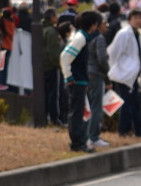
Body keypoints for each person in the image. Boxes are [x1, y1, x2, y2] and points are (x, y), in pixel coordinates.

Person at [60, 10, 102, 153]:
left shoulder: (81, 36)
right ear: (93, 24)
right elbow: (65, 56)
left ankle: (81, 141)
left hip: (80, 80)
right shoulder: (80, 38)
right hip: (76, 81)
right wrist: (69, 76)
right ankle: (77, 143)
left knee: (80, 113)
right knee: (77, 113)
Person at [107, 8, 141, 138]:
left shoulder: (137, 34)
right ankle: (124, 130)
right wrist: (118, 69)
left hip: (132, 74)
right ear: (129, 19)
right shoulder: (124, 33)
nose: (138, 21)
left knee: (134, 103)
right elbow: (113, 53)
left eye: (140, 18)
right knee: (127, 104)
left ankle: (137, 130)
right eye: (135, 18)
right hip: (124, 74)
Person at [86, 15, 111, 147]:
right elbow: (102, 59)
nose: (106, 25)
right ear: (97, 24)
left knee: (88, 106)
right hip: (96, 74)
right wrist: (108, 72)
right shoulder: (99, 38)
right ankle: (94, 137)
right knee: (96, 107)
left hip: (86, 74)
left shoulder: (86, 37)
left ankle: (87, 135)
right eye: (104, 23)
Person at [42, 9, 65, 126]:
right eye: (56, 16)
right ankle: (54, 118)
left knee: (45, 94)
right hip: (51, 66)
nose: (57, 18)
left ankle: (45, 117)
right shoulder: (51, 31)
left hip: (43, 65)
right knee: (53, 94)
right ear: (51, 17)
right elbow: (53, 52)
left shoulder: (42, 29)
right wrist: (59, 65)